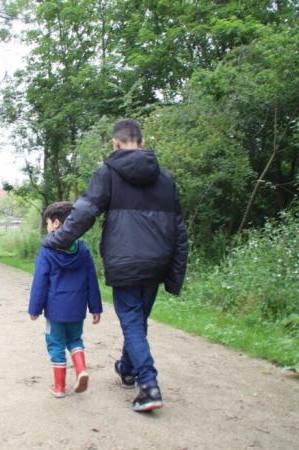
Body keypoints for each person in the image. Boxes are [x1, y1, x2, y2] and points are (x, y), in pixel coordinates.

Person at [42, 119, 188, 412]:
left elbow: (83, 212)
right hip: (156, 262)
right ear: (142, 144)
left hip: (124, 261)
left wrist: (55, 240)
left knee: (133, 322)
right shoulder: (167, 179)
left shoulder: (108, 173)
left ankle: (148, 384)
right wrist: (174, 274)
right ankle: (128, 369)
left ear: (115, 144)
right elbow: (180, 230)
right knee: (137, 321)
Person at [29, 201, 103, 398]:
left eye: (47, 223)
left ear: (55, 223)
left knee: (55, 344)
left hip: (55, 312)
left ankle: (59, 387)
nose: (47, 227)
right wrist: (96, 308)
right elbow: (91, 279)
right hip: (77, 310)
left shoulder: (47, 250)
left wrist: (34, 309)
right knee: (75, 340)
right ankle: (81, 370)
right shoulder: (83, 249)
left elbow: (40, 282)